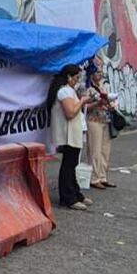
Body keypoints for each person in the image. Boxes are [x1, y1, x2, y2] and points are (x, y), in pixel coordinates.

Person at [48, 64, 95, 211]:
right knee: (68, 166)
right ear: (68, 77)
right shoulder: (64, 91)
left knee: (72, 164)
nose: (77, 80)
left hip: (74, 131)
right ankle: (68, 197)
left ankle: (75, 193)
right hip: (69, 133)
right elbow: (70, 112)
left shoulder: (68, 90)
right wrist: (82, 100)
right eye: (76, 77)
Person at [86, 71, 118, 190]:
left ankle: (103, 176)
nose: (100, 74)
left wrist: (111, 105)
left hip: (106, 120)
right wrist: (97, 103)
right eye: (97, 72)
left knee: (105, 149)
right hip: (94, 120)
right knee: (95, 150)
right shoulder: (88, 88)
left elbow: (112, 102)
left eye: (101, 72)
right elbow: (85, 107)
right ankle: (94, 178)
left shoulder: (105, 86)